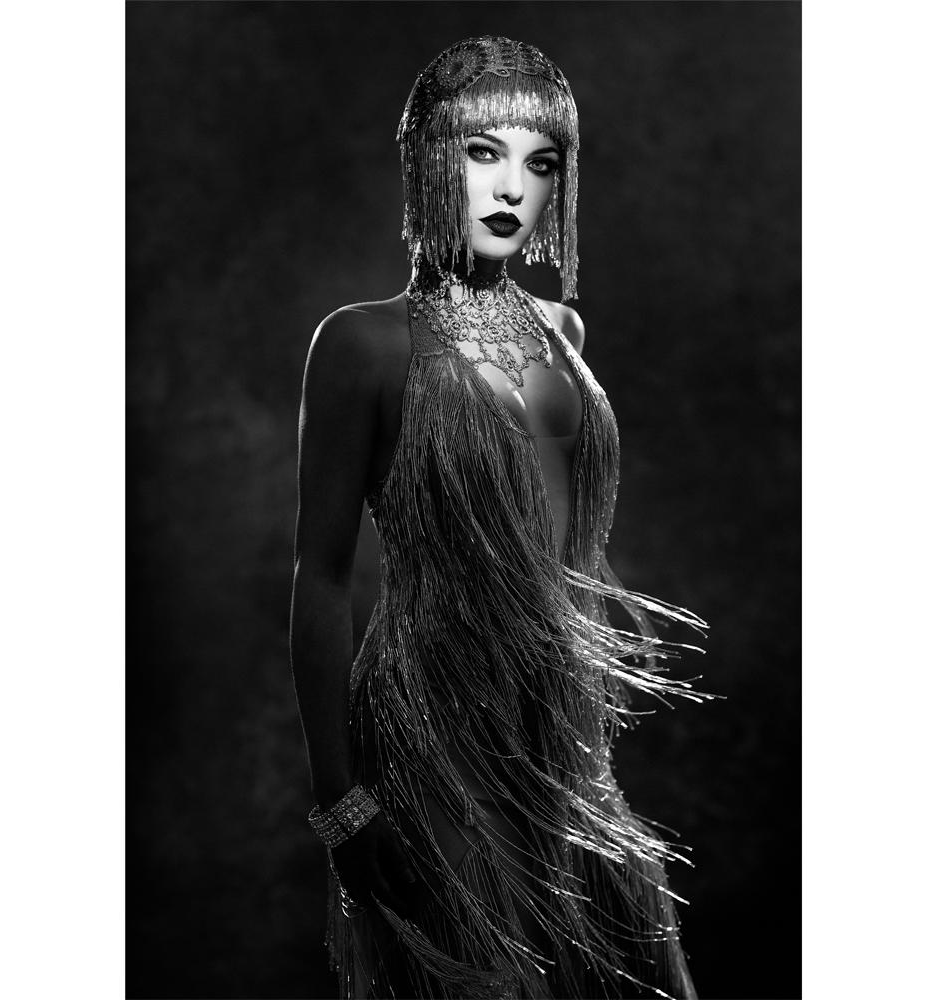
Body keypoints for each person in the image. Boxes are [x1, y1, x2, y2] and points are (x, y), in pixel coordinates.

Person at [290, 36, 708, 1000]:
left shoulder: (563, 332)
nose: (513, 186)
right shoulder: (361, 343)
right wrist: (341, 802)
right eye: (482, 152)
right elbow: (320, 574)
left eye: (541, 160)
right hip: (431, 717)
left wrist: (576, 709)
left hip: (557, 724)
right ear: (424, 161)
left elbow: (573, 551)